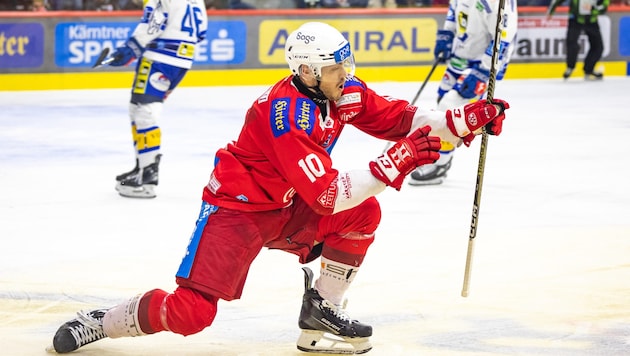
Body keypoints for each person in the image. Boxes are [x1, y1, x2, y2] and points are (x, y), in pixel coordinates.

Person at [49, 22, 509, 355]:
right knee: (193, 314)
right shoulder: (286, 114)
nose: (347, 73)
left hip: (289, 207)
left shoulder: (339, 91)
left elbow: (400, 119)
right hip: (238, 211)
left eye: (346, 62)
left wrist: (463, 120)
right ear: (309, 72)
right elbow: (328, 195)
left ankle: (319, 316)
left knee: (363, 216)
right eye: (337, 67)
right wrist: (402, 158)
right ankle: (102, 321)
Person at [408, 0, 518, 186]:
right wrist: (447, 35)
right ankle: (442, 152)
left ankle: (439, 163)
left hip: (480, 65)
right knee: (442, 102)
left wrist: (483, 71)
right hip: (460, 57)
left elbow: (504, 39)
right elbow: (454, 10)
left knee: (450, 106)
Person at [111, 0, 208, 198]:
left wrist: (130, 48)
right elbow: (201, 33)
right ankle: (142, 166)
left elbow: (153, 23)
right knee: (138, 108)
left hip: (158, 60)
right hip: (182, 62)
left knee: (144, 111)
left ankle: (147, 176)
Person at [547, 0, 609, 80]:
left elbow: (604, 6)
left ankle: (589, 69)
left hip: (591, 21)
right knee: (572, 42)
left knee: (598, 47)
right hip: (575, 20)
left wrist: (593, 9)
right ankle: (570, 66)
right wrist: (550, 12)